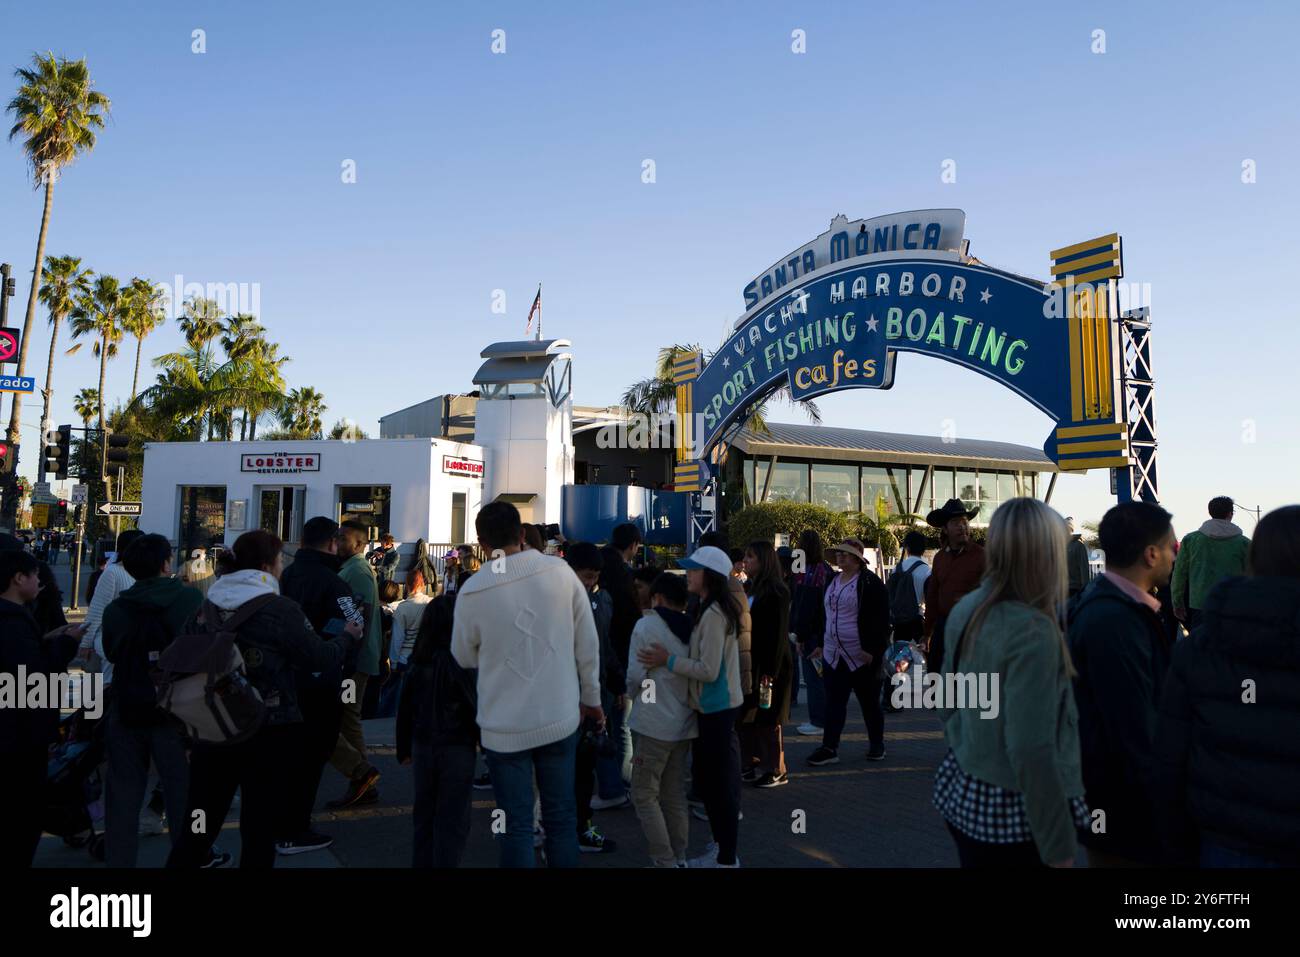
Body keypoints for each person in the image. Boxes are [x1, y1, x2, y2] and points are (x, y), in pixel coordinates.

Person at [167, 530, 355, 869]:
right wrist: (346, 638)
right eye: (281, 560)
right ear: (268, 565)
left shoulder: (207, 606)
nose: (283, 567)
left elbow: (184, 660)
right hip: (268, 728)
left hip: (213, 727)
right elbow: (318, 658)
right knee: (259, 826)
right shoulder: (280, 609)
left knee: (200, 822)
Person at [933, 498, 1087, 867]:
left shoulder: (968, 608)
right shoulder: (1034, 630)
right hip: (1016, 813)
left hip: (965, 787)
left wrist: (968, 744)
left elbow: (949, 701)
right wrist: (1059, 849)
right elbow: (1031, 750)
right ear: (1047, 553)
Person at [451, 502, 603, 868]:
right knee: (561, 819)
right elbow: (587, 643)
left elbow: (463, 656)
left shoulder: (474, 589)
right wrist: (592, 699)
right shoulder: (560, 572)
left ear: (482, 542)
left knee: (517, 826)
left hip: (503, 728)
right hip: (560, 716)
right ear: (522, 534)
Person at [1154, 505, 1300, 867]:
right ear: (1232, 512)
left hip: (1226, 842)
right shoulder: (1239, 542)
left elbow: (1170, 758)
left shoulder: (1197, 652)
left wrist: (1178, 606)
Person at [1068, 501, 1177, 867]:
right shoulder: (1114, 620)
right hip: (1123, 802)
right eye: (1171, 549)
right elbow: (1133, 725)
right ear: (1150, 554)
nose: (1175, 558)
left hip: (1113, 794)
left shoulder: (1109, 605)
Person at [100, 534, 203, 868]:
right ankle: (189, 860)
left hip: (128, 705)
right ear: (165, 564)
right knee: (183, 797)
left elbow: (113, 651)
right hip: (178, 710)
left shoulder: (118, 608)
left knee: (122, 796)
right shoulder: (188, 599)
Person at [637, 545, 743, 867]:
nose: (688, 575)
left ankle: (725, 857)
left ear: (709, 575)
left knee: (716, 788)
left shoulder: (712, 615)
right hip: (714, 708)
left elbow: (708, 670)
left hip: (716, 709)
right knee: (713, 786)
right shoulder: (709, 609)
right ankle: (722, 851)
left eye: (694, 570)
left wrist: (666, 660)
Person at [277, 516, 366, 854]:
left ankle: (283, 823)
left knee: (290, 755)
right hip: (322, 677)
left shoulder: (288, 575)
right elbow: (354, 625)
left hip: (287, 678)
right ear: (331, 543)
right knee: (313, 754)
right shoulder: (335, 583)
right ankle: (294, 829)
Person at [0, 549, 85, 866]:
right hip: (18, 741)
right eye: (35, 575)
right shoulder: (12, 622)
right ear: (18, 578)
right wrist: (67, 643)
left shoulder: (15, 620)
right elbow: (30, 681)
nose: (40, 581)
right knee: (19, 823)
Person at [397, 589, 477, 867]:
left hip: (422, 744)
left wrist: (403, 748)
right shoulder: (463, 664)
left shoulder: (418, 662)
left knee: (425, 815)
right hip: (457, 746)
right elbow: (473, 707)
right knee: (453, 818)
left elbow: (404, 709)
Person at [626, 572, 698, 867]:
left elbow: (635, 676)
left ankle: (664, 858)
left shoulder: (646, 625)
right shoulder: (694, 629)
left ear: (658, 597)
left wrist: (631, 694)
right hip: (684, 722)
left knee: (643, 793)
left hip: (652, 722)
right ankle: (679, 856)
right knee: (674, 795)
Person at [806, 539, 890, 767]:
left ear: (857, 558)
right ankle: (829, 747)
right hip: (834, 654)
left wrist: (873, 650)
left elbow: (882, 620)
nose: (840, 557)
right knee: (834, 702)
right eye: (839, 554)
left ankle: (877, 744)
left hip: (861, 655)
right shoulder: (832, 580)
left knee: (869, 702)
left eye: (845, 554)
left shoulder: (870, 583)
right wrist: (821, 643)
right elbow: (825, 615)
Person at [565, 542, 624, 850]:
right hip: (567, 703)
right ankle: (566, 831)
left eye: (594, 577)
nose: (590, 583)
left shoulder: (601, 601)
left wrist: (617, 683)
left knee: (583, 770)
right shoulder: (557, 603)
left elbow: (604, 647)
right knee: (568, 772)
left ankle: (580, 827)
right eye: (586, 576)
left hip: (592, 700)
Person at [328, 520, 385, 808]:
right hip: (354, 656)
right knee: (347, 718)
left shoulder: (358, 571)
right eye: (337, 537)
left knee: (346, 718)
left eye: (344, 538)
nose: (337, 542)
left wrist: (349, 659)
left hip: (355, 659)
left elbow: (358, 616)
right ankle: (362, 780)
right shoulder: (351, 568)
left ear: (360, 544)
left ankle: (361, 775)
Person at [597, 522, 641, 805]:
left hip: (599, 658)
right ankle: (623, 783)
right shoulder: (624, 576)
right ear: (633, 545)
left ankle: (616, 783)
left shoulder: (599, 566)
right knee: (622, 724)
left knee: (605, 725)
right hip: (620, 659)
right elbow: (630, 622)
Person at [742, 541, 792, 787]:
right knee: (752, 717)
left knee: (770, 718)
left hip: (772, 666)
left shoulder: (777, 592)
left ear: (764, 561)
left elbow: (778, 635)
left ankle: (777, 768)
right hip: (752, 662)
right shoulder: (749, 588)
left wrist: (770, 672)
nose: (746, 561)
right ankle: (753, 762)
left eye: (751, 557)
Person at [924, 499, 986, 676]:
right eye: (955, 523)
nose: (962, 527)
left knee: (970, 683)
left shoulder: (982, 556)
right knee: (937, 676)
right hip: (944, 626)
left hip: (972, 629)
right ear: (945, 529)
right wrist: (927, 633)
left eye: (965, 522)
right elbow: (932, 596)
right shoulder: (940, 558)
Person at [1171, 496, 1251, 632]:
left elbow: (1179, 573)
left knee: (1200, 649)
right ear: (1230, 514)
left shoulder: (1191, 540)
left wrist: (1177, 602)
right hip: (1234, 605)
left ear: (1210, 512)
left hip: (1200, 604)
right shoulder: (1244, 543)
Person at [81, 528, 144, 689]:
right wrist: (86, 642)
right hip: (112, 643)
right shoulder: (113, 572)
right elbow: (97, 609)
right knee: (109, 688)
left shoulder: (144, 572)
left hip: (135, 644)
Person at [789, 530, 833, 736]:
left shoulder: (805, 573)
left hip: (811, 635)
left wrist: (799, 635)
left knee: (813, 678)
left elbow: (802, 607)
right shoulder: (826, 570)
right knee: (822, 678)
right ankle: (823, 718)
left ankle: (818, 720)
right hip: (825, 632)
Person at [379, 567, 433, 720]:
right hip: (426, 656)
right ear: (422, 584)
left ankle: (387, 723)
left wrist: (394, 662)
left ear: (407, 585)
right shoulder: (431, 603)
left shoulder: (403, 608)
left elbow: (397, 638)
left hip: (405, 658)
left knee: (398, 699)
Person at [889, 530, 931, 648]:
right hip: (917, 624)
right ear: (923, 549)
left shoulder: (896, 569)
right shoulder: (926, 571)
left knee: (901, 662)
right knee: (918, 661)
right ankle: (919, 668)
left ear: (906, 547)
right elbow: (931, 603)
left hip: (898, 625)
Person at [1065, 517, 1091, 599]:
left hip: (1075, 590)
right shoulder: (1060, 544)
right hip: (1061, 589)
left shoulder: (1079, 545)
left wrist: (1085, 592)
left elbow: (1084, 569)